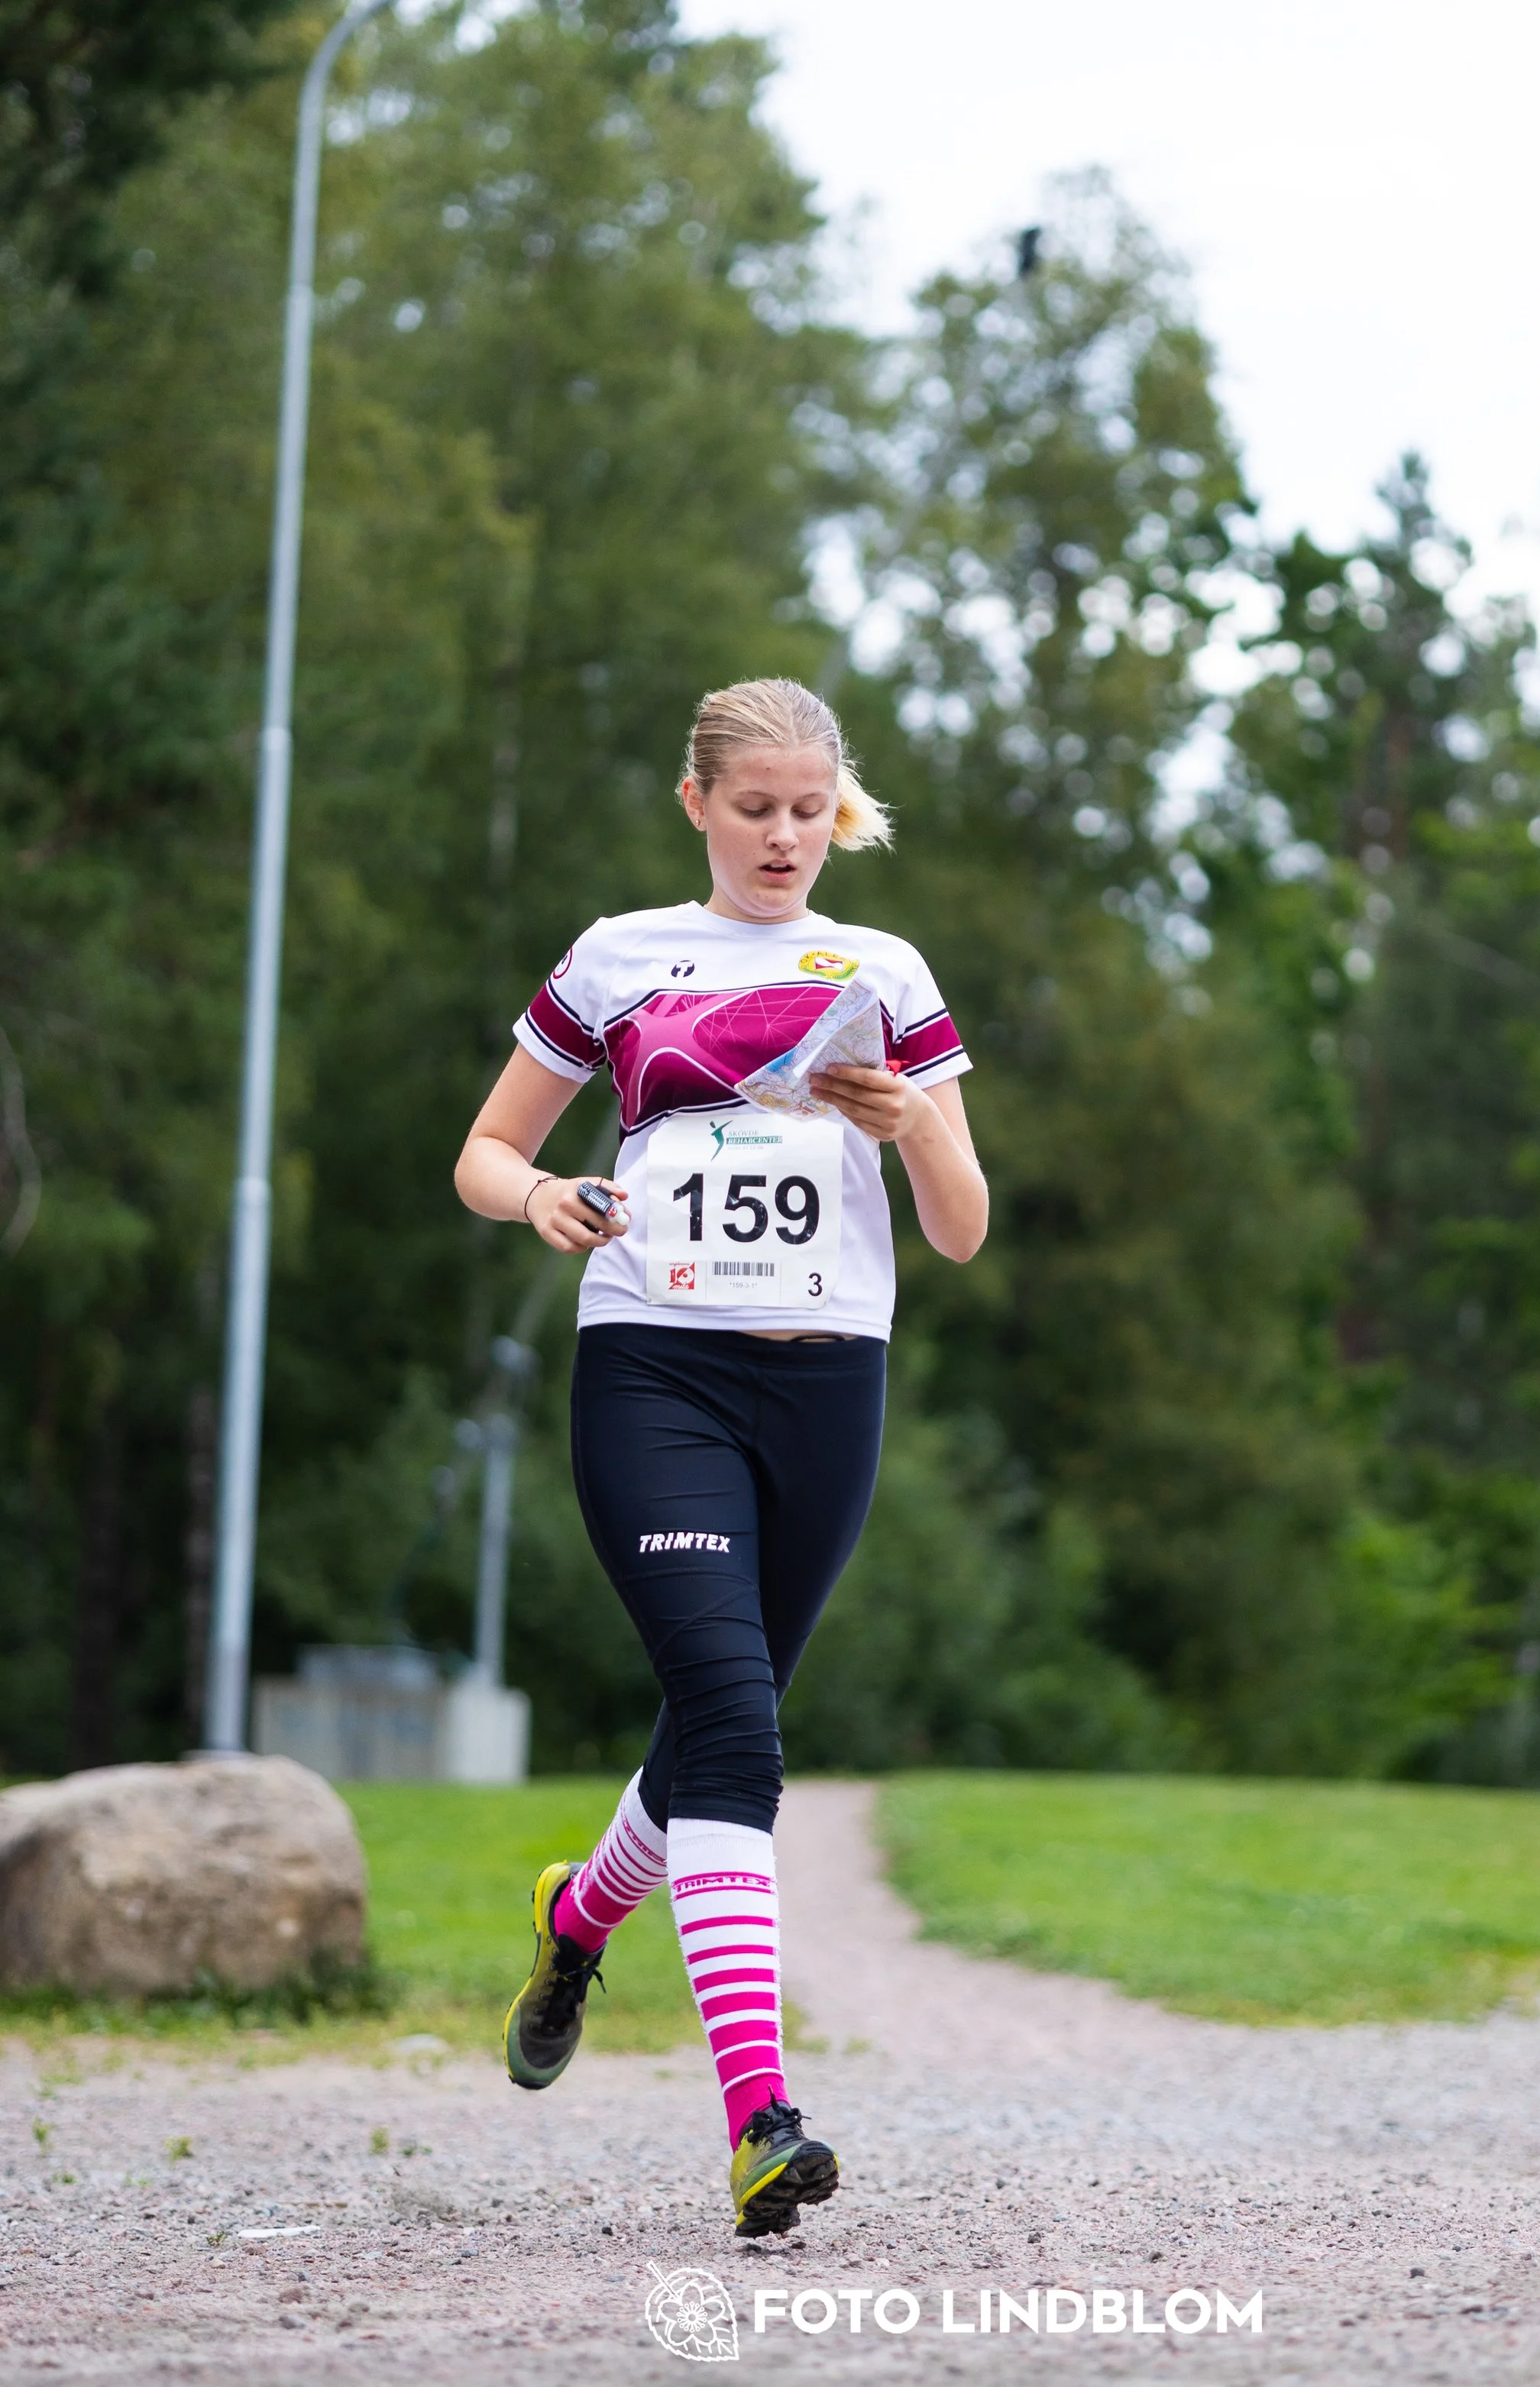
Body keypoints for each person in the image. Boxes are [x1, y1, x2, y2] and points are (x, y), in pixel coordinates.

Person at [453, 678, 986, 2239]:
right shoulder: (620, 955)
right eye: (753, 806)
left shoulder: (880, 971)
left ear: (840, 812)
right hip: (652, 1371)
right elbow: (486, 1149)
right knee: (738, 1725)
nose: (782, 836)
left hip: (828, 1385)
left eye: (809, 810)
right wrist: (539, 1194)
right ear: (697, 802)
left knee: (712, 1723)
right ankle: (761, 2116)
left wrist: (907, 1127)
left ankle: (578, 1912)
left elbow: (957, 1229)